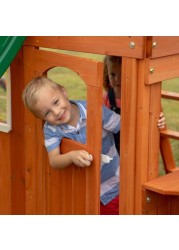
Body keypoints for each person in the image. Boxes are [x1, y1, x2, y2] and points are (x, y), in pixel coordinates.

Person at [22, 76, 120, 215]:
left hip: (114, 183)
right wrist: (71, 156)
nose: (56, 112)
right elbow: (54, 160)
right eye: (47, 113)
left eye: (56, 102)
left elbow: (124, 126)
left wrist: (154, 122)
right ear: (41, 118)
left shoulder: (94, 111)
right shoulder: (52, 129)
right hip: (83, 192)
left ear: (64, 92)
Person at [103, 55, 166, 154]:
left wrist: (159, 119)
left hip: (136, 147)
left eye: (122, 74)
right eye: (113, 74)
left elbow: (153, 116)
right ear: (107, 74)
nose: (117, 79)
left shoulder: (139, 96)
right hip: (112, 149)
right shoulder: (106, 98)